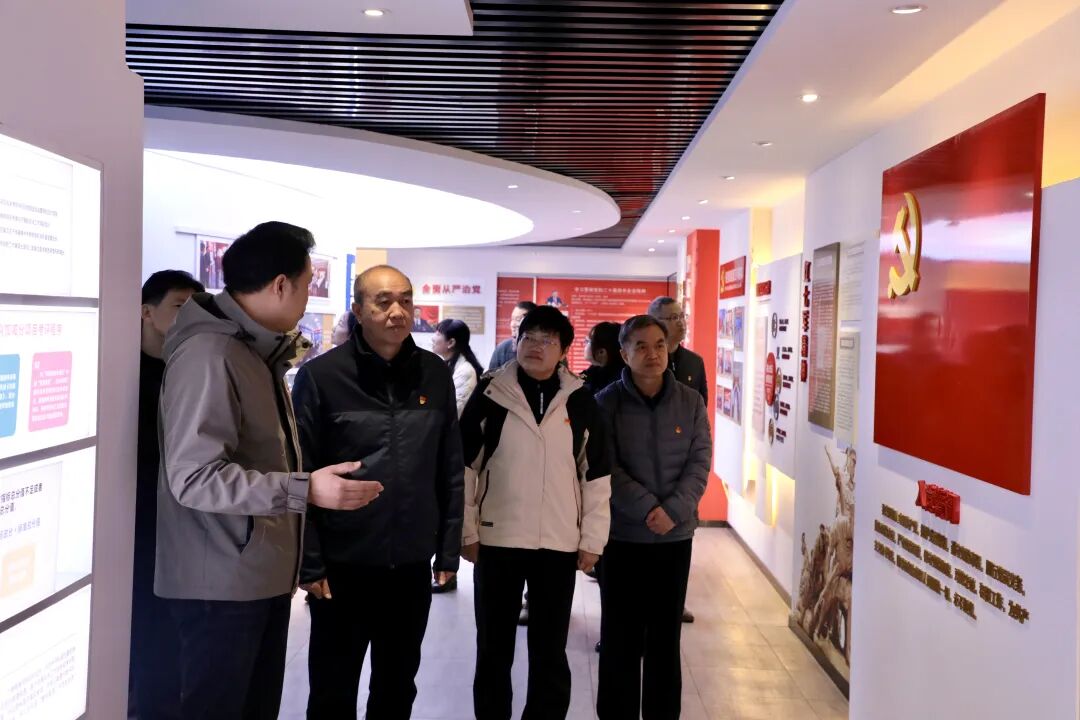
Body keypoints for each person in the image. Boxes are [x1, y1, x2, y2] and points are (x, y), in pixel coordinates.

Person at [156, 221, 382, 720]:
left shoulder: (251, 350)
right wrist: (305, 489)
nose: (307, 298)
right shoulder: (211, 353)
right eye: (306, 285)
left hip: (252, 577)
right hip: (220, 586)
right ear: (281, 284)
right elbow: (193, 477)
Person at [292, 264, 465, 719]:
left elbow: (449, 466)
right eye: (383, 302)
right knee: (332, 691)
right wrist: (309, 562)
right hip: (340, 566)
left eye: (405, 300)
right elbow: (298, 474)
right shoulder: (321, 377)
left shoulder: (433, 374)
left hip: (409, 563)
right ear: (357, 310)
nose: (397, 311)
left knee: (397, 686)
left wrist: (447, 552)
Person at [459, 306, 611, 720]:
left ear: (563, 351)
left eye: (548, 340)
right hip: (498, 539)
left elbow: (596, 475)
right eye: (529, 337)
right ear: (516, 341)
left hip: (558, 543)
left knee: (550, 649)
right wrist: (467, 530)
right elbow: (465, 467)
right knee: (493, 647)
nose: (536, 347)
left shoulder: (580, 400)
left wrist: (592, 540)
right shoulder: (490, 394)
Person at [594, 315, 711, 720]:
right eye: (640, 346)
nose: (652, 354)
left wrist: (673, 511)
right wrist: (648, 509)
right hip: (623, 537)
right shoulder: (606, 403)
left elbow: (700, 462)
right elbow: (606, 468)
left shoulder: (690, 401)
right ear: (624, 353)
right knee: (620, 637)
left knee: (665, 637)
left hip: (674, 538)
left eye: (659, 344)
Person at [129, 270, 203, 720]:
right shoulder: (119, 375)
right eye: (179, 305)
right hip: (135, 528)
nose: (189, 315)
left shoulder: (192, 373)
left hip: (186, 528)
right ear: (146, 311)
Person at [648, 296, 707, 625]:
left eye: (681, 316)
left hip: (681, 472)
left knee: (677, 549)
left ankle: (675, 603)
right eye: (672, 317)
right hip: (644, 474)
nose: (681, 322)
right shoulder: (638, 361)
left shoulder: (694, 363)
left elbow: (702, 418)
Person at [432, 318, 484, 418]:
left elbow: (453, 413)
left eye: (438, 334)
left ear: (451, 343)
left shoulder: (465, 372)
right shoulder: (446, 365)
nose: (433, 338)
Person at [581, 321, 626, 396]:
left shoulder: (618, 383)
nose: (584, 344)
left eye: (587, 341)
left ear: (601, 352)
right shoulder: (593, 371)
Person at [488, 300, 536, 370]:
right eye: (512, 319)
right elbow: (490, 375)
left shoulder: (541, 351)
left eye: (518, 320)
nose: (513, 325)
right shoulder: (502, 349)